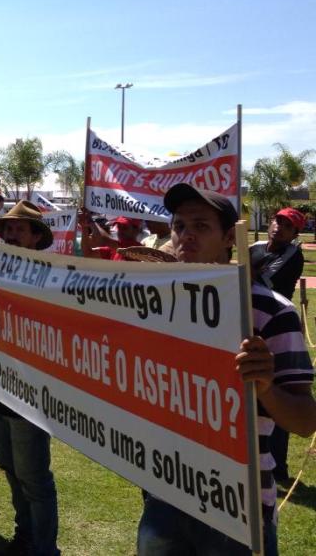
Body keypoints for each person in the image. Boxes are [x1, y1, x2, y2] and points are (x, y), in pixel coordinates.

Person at [135, 183, 316, 556]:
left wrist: (265, 386)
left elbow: (305, 421)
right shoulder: (152, 306)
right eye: (179, 226)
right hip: (164, 492)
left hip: (238, 503)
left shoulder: (271, 312)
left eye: (201, 226)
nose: (186, 235)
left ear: (229, 239)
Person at [0, 200, 60, 555]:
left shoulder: (50, 277)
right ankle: (26, 534)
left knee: (34, 478)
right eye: (7, 230)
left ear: (35, 237)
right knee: (10, 468)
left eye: (18, 229)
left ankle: (45, 548)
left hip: (31, 393)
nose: (11, 235)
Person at [249, 206, 306, 483]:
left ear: (295, 233)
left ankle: (278, 467)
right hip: (252, 322)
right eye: (278, 221)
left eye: (287, 226)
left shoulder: (292, 254)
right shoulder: (257, 246)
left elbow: (261, 280)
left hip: (277, 327)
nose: (279, 228)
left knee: (279, 392)